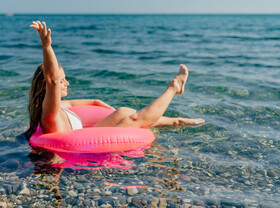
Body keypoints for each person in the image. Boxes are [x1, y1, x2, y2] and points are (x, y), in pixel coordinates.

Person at [25, 21, 204, 140]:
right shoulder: (50, 113)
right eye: (63, 80)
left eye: (65, 79)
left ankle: (175, 121)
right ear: (47, 88)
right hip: (82, 149)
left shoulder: (62, 105)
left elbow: (86, 101)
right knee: (133, 118)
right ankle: (174, 87)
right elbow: (53, 80)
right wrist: (47, 46)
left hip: (86, 135)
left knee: (121, 112)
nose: (66, 83)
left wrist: (99, 103)